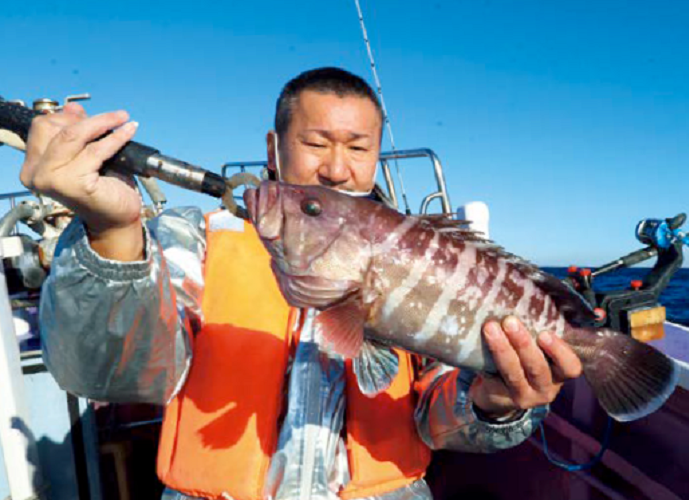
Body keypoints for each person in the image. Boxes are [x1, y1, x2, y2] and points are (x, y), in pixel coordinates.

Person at [20, 67, 583, 500]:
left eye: (358, 147)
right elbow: (112, 372)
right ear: (273, 148)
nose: (338, 169)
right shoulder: (194, 240)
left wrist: (497, 403)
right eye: (317, 143)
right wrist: (114, 233)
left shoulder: (425, 260)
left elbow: (437, 418)